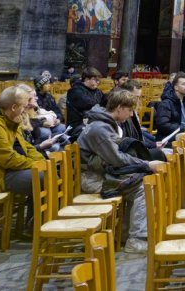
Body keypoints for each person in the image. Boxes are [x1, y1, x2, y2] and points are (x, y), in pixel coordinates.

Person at [79, 89, 164, 253]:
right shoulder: (100, 129)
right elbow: (116, 159)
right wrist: (147, 164)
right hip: (94, 179)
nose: (132, 115)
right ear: (119, 107)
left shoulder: (105, 124)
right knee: (144, 187)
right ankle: (136, 240)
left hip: (102, 173)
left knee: (141, 180)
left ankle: (125, 234)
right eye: (130, 110)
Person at [115, 80, 165, 161]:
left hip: (134, 150)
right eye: (136, 97)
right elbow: (128, 141)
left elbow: (137, 136)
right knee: (160, 154)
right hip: (129, 154)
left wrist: (152, 144)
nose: (138, 101)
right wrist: (151, 145)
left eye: (139, 97)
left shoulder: (130, 112)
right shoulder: (122, 115)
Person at [153, 72, 185, 139]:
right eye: (183, 84)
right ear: (176, 87)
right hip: (170, 137)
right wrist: (183, 129)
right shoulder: (166, 103)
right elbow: (162, 125)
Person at [66, 68, 105, 134]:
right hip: (77, 125)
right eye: (95, 80)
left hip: (94, 121)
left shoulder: (98, 91)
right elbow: (90, 104)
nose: (98, 82)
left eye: (98, 80)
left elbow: (104, 103)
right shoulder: (75, 91)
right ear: (86, 79)